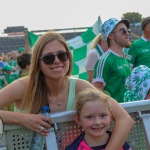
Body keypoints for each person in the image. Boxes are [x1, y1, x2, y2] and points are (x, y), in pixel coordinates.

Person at [0, 31, 135, 150]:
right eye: (48, 58)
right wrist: (22, 119)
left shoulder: (79, 86)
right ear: (38, 63)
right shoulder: (23, 86)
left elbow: (125, 119)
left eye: (62, 55)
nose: (57, 61)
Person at [66, 88, 131, 150]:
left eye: (103, 115)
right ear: (78, 120)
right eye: (90, 117)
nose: (98, 122)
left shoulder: (120, 143)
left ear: (110, 116)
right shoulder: (74, 148)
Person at [93, 18, 131, 103]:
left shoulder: (124, 58)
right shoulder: (105, 60)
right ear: (111, 36)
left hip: (128, 110)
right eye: (123, 31)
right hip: (114, 114)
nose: (127, 33)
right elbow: (96, 94)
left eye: (128, 30)